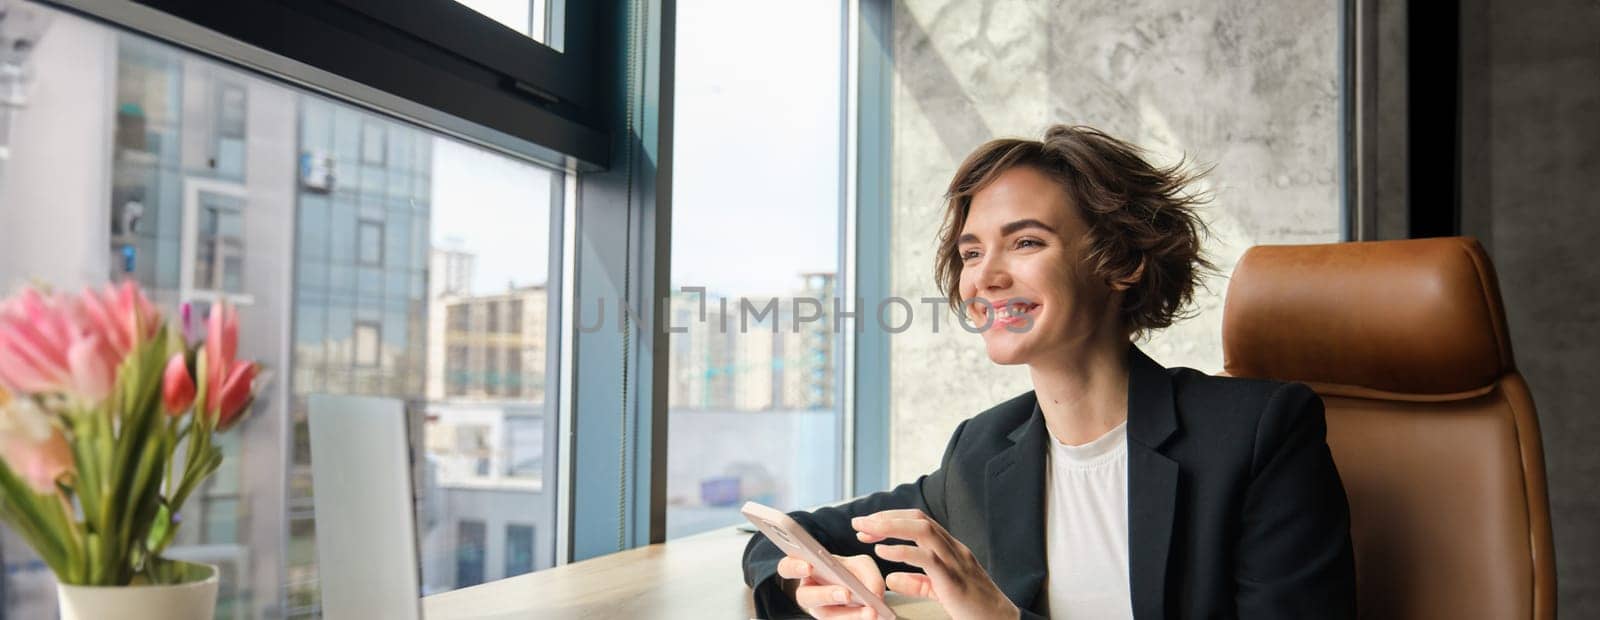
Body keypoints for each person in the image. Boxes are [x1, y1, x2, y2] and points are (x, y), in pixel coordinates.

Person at [741, 125, 1356, 619]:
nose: (984, 277)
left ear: (1121, 261)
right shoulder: (981, 454)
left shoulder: (1258, 433)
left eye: (1026, 242)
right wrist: (812, 588)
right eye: (972, 252)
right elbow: (780, 538)